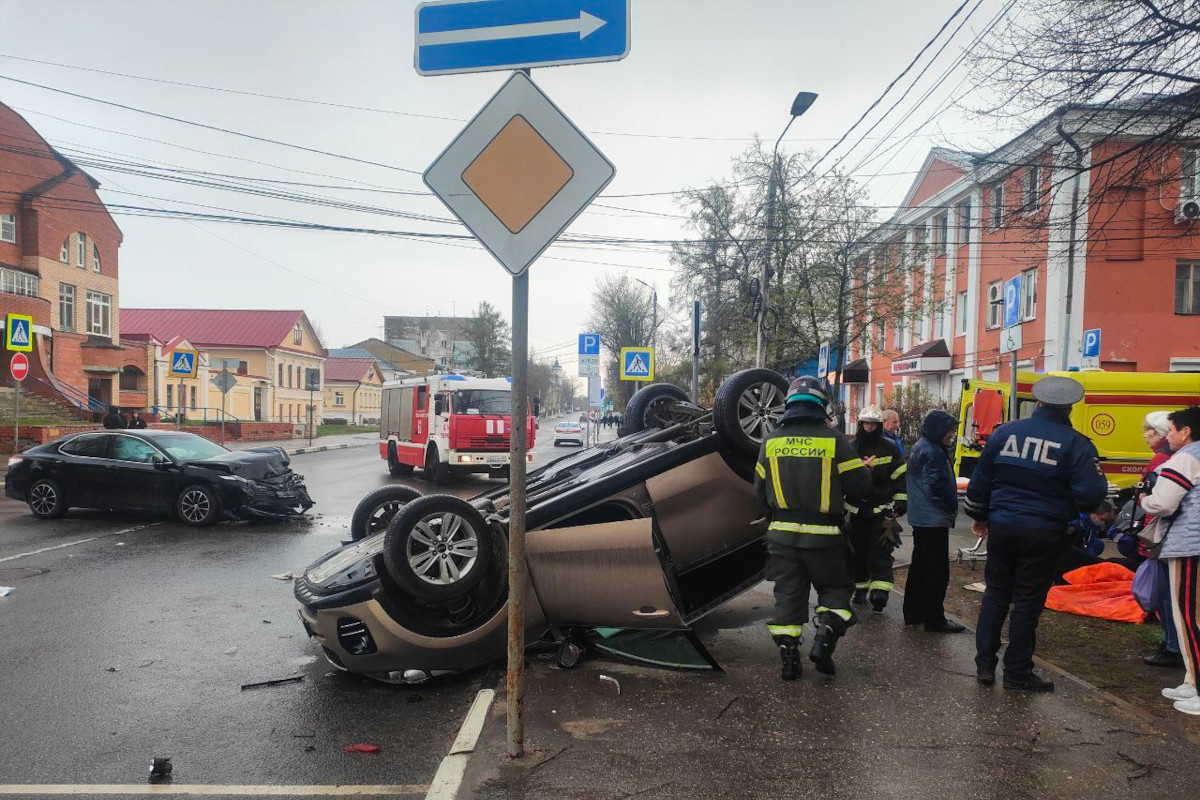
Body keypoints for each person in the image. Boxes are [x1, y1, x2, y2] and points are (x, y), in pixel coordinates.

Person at [966, 376, 1108, 692]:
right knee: (1028, 601)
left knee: (996, 593)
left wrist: (980, 515)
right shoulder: (1076, 444)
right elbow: (1090, 494)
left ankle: (985, 666)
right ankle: (1017, 673)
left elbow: (981, 481)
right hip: (1044, 530)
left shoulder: (1004, 433)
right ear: (1070, 407)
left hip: (1002, 526)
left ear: (1038, 402)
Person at [754, 376, 871, 679]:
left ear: (788, 404)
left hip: (781, 537)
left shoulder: (771, 440)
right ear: (823, 404)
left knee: (789, 595)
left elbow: (758, 490)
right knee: (835, 589)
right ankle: (824, 640)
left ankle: (789, 660)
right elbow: (860, 486)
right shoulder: (834, 441)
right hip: (825, 538)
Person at [1141, 406, 1200, 716]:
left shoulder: (1186, 458)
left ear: (1186, 431)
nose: (1168, 437)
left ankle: (1198, 687)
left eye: (1172, 430)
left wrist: (1143, 499)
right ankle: (1192, 680)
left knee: (1187, 616)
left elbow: (1162, 502)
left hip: (1189, 544)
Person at [904, 409, 964, 634]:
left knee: (919, 567)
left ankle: (913, 613)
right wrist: (951, 506)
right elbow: (936, 485)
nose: (951, 434)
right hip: (932, 519)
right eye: (950, 430)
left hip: (923, 518)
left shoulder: (922, 446)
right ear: (939, 429)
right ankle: (934, 619)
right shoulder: (933, 451)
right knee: (936, 572)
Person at [846, 405, 907, 612]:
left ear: (879, 425)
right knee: (858, 552)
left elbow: (900, 476)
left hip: (882, 510)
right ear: (861, 425)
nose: (870, 427)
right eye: (866, 423)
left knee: (882, 551)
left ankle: (880, 593)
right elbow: (841, 478)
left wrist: (901, 500)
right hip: (855, 512)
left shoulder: (890, 448)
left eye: (873, 423)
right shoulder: (850, 448)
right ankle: (860, 588)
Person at [1140, 410, 1183, 667]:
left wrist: (1147, 539)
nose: (1145, 436)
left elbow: (1156, 503)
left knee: (1167, 592)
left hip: (1163, 534)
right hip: (1171, 534)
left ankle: (1172, 645)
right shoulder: (1177, 457)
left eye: (1148, 431)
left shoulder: (1161, 460)